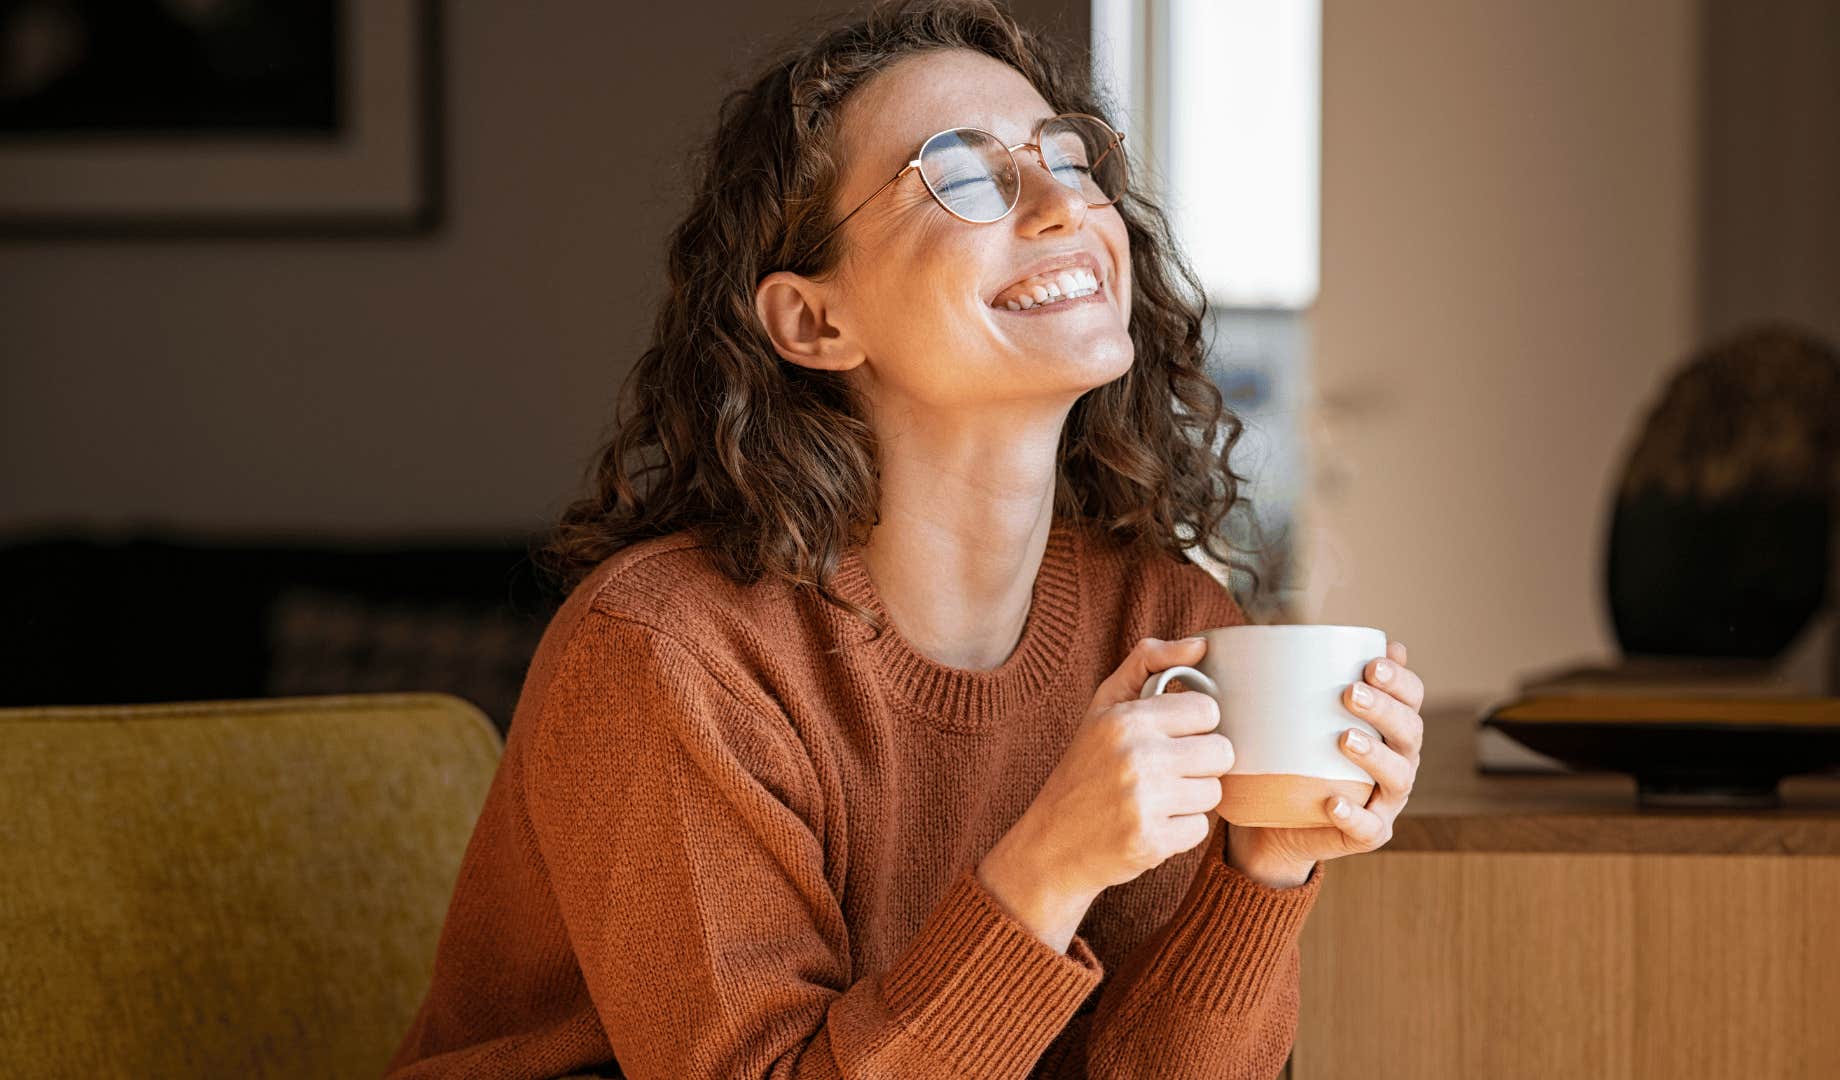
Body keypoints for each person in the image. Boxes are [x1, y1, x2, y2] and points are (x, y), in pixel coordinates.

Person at [384, 1, 1425, 1076]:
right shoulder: (669, 653)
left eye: (1066, 156)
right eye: (964, 176)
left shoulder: (1165, 625)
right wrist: (1045, 870)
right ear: (814, 322)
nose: (1068, 204)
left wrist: (1262, 873)